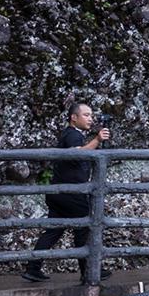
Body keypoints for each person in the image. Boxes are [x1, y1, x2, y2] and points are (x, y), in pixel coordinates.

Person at [23, 102, 110, 283]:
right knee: (83, 229)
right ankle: (89, 270)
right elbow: (77, 154)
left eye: (91, 115)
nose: (90, 119)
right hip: (71, 193)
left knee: (53, 231)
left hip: (59, 192)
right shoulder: (72, 135)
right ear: (74, 117)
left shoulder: (71, 134)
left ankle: (33, 268)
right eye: (86, 115)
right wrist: (97, 140)